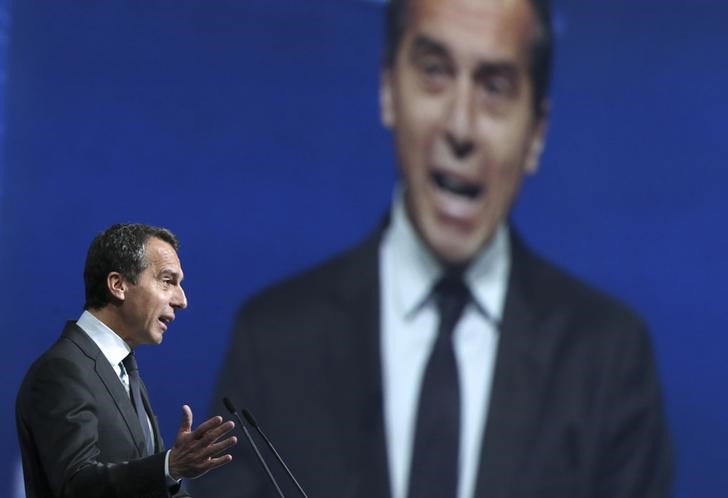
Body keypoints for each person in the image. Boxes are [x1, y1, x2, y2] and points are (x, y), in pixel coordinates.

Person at [194, 0, 672, 497]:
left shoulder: (610, 361)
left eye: (495, 87)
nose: (460, 127)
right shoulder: (272, 344)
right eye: (435, 72)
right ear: (387, 88)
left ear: (536, 133)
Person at [16, 223, 238, 498]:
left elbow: (146, 486)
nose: (182, 300)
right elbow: (74, 485)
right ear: (118, 285)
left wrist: (170, 473)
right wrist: (170, 466)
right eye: (168, 281)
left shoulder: (124, 371)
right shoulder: (62, 370)